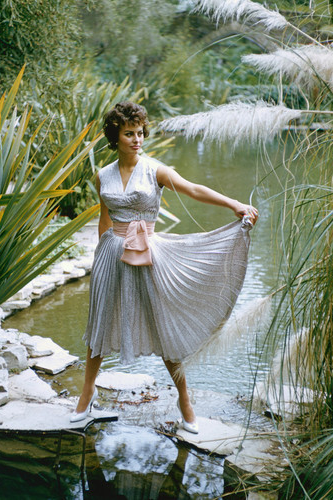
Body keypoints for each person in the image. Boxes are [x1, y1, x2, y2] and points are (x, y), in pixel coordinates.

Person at [70, 102, 258, 432]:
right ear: (115, 136)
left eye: (140, 133)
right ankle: (86, 395)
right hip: (111, 256)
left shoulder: (154, 170)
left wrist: (234, 204)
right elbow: (104, 218)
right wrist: (100, 258)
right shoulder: (103, 176)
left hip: (147, 254)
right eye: (129, 134)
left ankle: (184, 400)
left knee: (162, 327)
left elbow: (193, 189)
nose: (137, 139)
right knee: (100, 324)